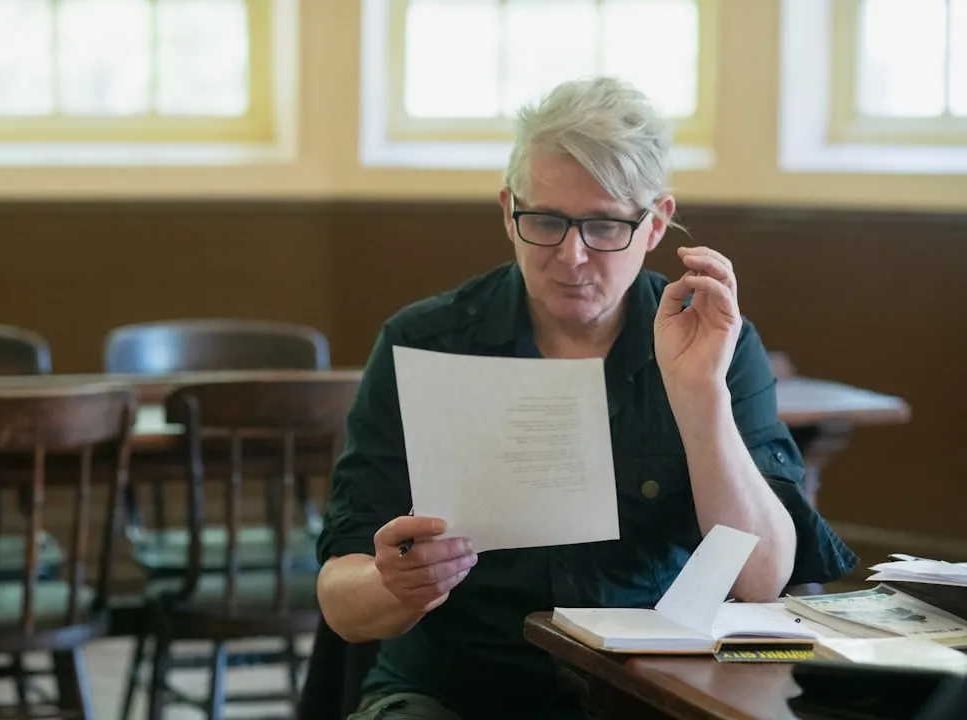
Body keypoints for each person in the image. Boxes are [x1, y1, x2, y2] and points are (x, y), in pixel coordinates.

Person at [315, 76, 858, 720]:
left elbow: (761, 577)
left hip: (650, 692)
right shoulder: (427, 341)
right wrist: (394, 584)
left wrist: (700, 397)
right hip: (457, 692)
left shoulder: (711, 339)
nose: (571, 257)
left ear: (655, 223)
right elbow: (340, 602)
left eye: (603, 226)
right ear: (506, 210)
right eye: (544, 221)